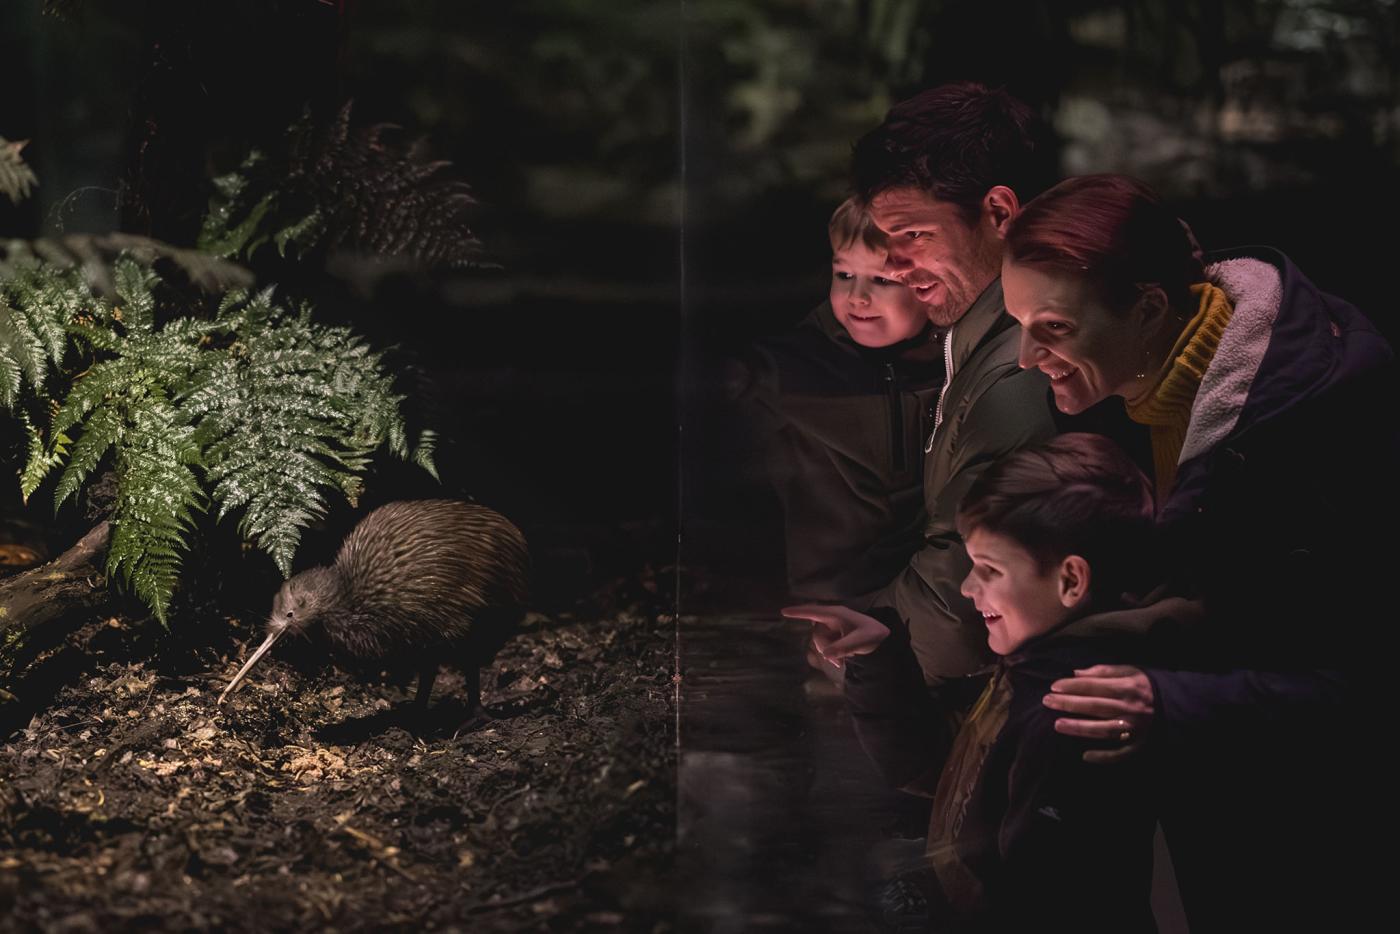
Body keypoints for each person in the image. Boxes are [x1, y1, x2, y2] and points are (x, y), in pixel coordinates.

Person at [999, 173, 1395, 930]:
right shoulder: (1127, 398)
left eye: (1050, 327)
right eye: (1017, 322)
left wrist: (1167, 704)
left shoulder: (1318, 426)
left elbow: (1367, 685)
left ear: (1147, 309)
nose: (1023, 357)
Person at [786, 434, 1196, 932]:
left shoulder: (1074, 708)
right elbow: (948, 775)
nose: (966, 587)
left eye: (989, 569)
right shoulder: (1034, 673)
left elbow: (1044, 903)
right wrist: (879, 656)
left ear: (1070, 580)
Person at [839, 81, 1063, 690]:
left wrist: (850, 657)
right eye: (886, 241)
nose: (891, 265)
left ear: (998, 213)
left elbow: (963, 601)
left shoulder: (1024, 367)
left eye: (913, 235)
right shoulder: (978, 336)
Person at [731, 198, 945, 608]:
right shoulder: (791, 369)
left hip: (921, 591)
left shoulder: (957, 360)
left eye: (882, 281)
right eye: (844, 274)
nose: (857, 296)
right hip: (822, 597)